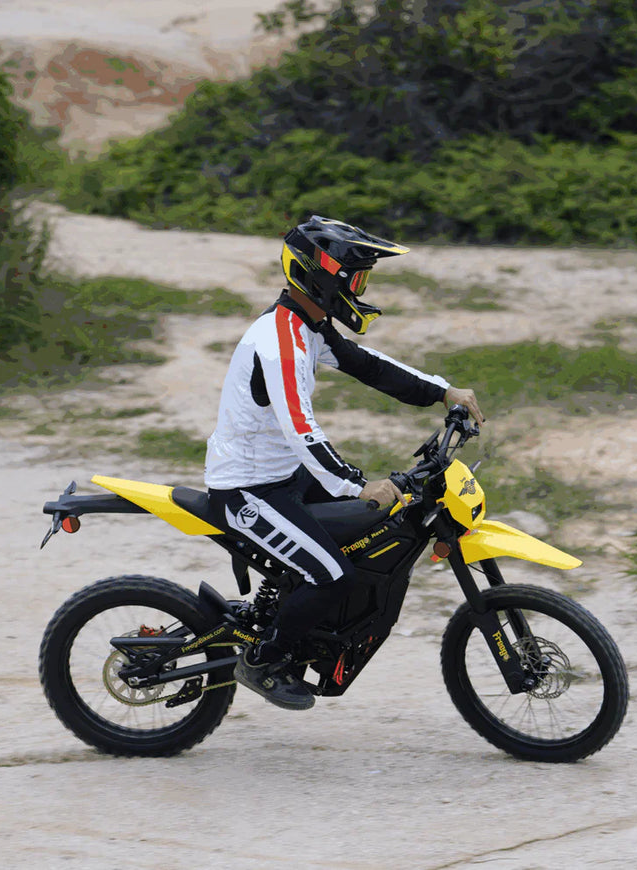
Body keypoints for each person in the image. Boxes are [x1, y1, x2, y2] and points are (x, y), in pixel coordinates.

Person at [205, 215, 484, 710]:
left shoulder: (307, 325)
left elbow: (370, 366)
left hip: (281, 478)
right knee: (332, 574)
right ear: (323, 276)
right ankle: (263, 661)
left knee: (367, 534)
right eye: (355, 278)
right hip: (247, 490)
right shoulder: (280, 342)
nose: (360, 288)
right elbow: (301, 428)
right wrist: (356, 484)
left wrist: (444, 391)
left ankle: (299, 624)